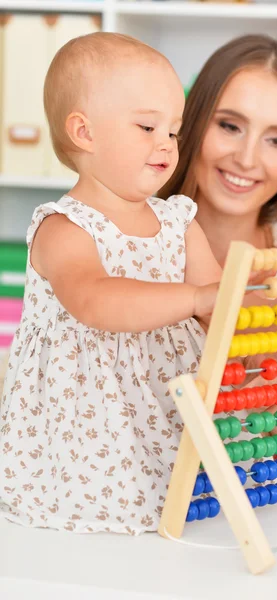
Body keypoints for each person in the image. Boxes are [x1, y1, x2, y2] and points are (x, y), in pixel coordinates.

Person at [0, 32, 226, 535]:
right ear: (84, 132)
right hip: (90, 433)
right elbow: (95, 301)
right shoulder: (64, 229)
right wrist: (191, 299)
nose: (166, 145)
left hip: (167, 410)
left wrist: (252, 315)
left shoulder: (180, 223)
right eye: (148, 126)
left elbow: (219, 305)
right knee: (107, 532)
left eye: (174, 131)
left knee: (184, 510)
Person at [161, 35, 277, 466]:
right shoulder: (131, 256)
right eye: (229, 125)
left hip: (256, 523)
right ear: (190, 123)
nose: (247, 158)